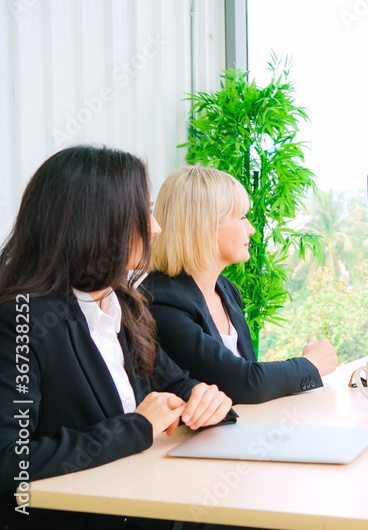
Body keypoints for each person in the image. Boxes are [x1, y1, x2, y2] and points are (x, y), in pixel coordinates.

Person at [0, 146, 234, 529]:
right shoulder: (21, 319)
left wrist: (207, 399)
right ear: (97, 222)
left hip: (148, 503)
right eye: (144, 213)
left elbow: (177, 384)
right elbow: (12, 459)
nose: (155, 227)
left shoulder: (121, 304)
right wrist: (137, 427)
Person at [142, 166, 339, 405]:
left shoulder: (225, 289)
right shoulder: (161, 301)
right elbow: (243, 383)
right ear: (204, 225)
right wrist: (311, 365)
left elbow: (247, 373)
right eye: (242, 217)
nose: (251, 229)